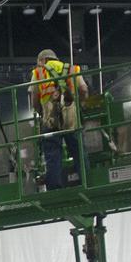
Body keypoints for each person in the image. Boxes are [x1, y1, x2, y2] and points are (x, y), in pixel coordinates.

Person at [28, 49, 88, 191]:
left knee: (53, 153)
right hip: (71, 118)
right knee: (78, 151)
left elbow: (34, 99)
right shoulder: (72, 69)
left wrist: (42, 113)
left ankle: (55, 188)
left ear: (42, 61)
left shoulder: (38, 73)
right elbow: (84, 90)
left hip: (50, 118)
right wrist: (81, 107)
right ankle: (86, 182)